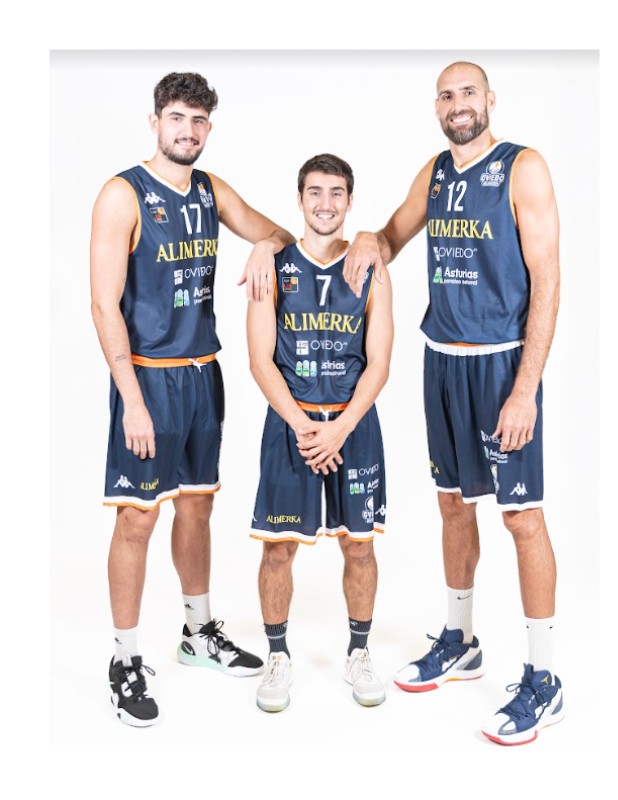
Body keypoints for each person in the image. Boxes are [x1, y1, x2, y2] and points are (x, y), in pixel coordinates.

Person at [342, 61, 563, 745]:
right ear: (436, 106)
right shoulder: (435, 172)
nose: (457, 103)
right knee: (451, 505)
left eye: (468, 92)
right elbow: (391, 239)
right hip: (441, 359)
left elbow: (548, 282)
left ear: (489, 99)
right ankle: (461, 640)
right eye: (446, 94)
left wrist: (524, 389)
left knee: (521, 518)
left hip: (501, 365)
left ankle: (544, 677)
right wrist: (368, 238)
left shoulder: (522, 167)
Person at [90, 72, 295, 727]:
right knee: (136, 519)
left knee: (197, 506)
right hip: (148, 377)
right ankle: (124, 659)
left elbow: (281, 235)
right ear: (155, 121)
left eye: (199, 120)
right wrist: (131, 399)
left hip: (203, 373)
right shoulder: (123, 194)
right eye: (177, 117)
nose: (188, 130)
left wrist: (262, 246)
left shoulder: (210, 190)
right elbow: (103, 305)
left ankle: (197, 631)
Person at [246, 153, 393, 713]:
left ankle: (359, 653)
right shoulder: (273, 265)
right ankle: (277, 657)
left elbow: (379, 362)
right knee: (279, 548)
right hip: (293, 423)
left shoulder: (371, 268)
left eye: (336, 193)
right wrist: (306, 426)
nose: (325, 203)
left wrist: (341, 428)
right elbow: (260, 360)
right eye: (315, 192)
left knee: (359, 545)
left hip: (354, 425)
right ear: (299, 199)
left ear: (350, 201)